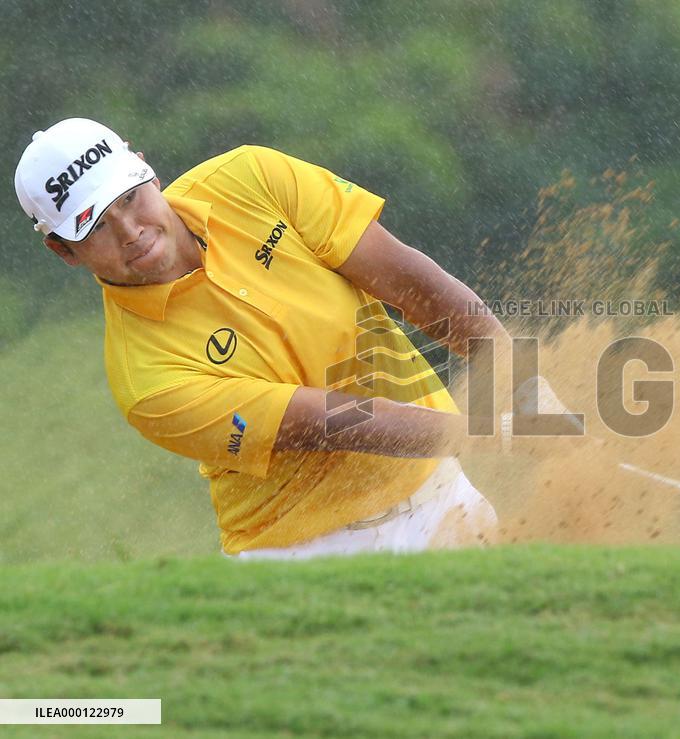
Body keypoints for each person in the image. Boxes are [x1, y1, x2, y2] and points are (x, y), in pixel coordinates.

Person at [13, 117, 524, 560]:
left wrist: (524, 389)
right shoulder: (144, 380)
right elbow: (328, 423)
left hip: (438, 489)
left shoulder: (249, 177)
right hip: (304, 552)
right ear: (64, 250)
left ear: (149, 171)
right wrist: (485, 433)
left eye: (130, 198)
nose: (131, 229)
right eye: (96, 225)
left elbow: (408, 281)